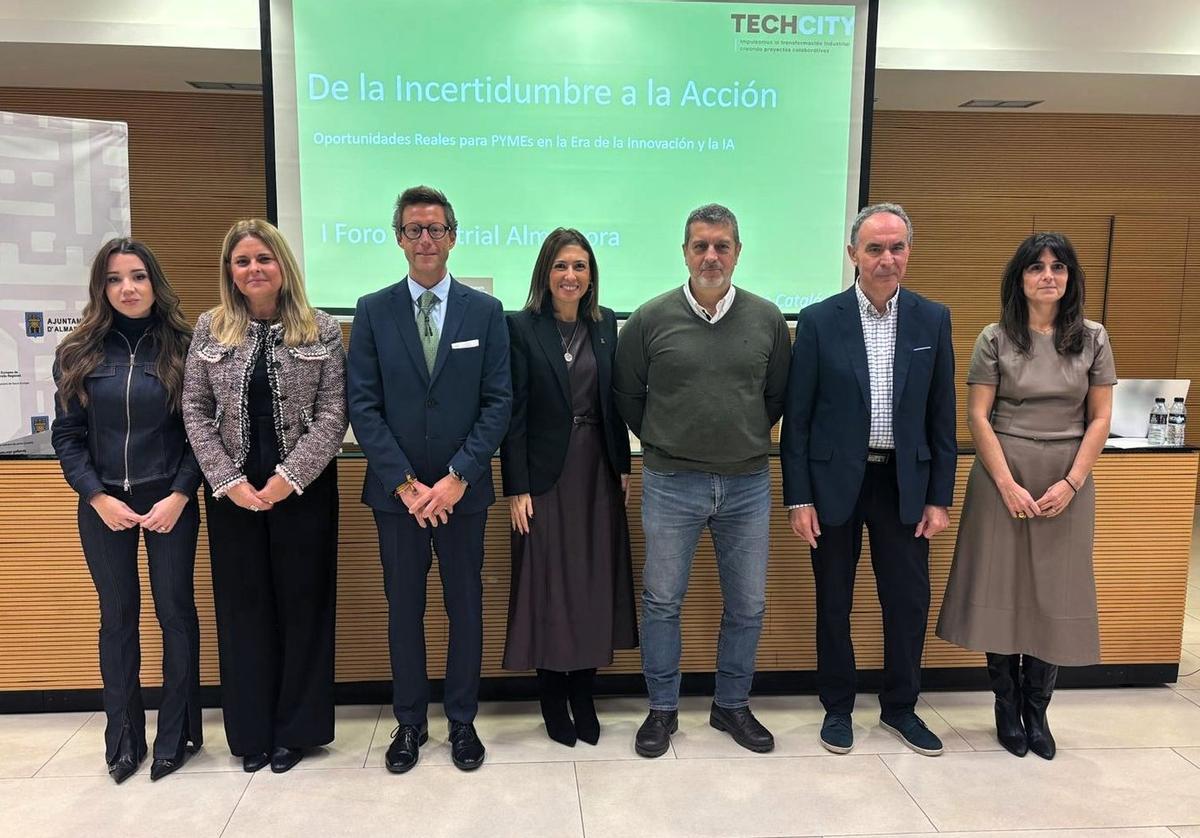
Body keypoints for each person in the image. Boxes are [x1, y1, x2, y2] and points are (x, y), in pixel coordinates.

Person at [614, 203, 791, 758]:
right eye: (700, 246)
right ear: (685, 252)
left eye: (722, 245)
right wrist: (673, 439)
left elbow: (776, 396)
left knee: (748, 604)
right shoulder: (648, 318)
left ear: (738, 252)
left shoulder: (767, 319)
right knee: (663, 600)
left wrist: (734, 437)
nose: (711, 256)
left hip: (747, 483)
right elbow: (628, 396)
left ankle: (730, 705)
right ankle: (662, 710)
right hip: (670, 481)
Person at [781, 202, 956, 757]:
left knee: (906, 601)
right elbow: (798, 420)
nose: (887, 258)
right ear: (853, 253)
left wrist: (939, 496)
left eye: (897, 247)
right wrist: (798, 496)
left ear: (909, 252)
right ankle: (837, 707)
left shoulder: (933, 319)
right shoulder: (817, 320)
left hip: (904, 483)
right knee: (834, 599)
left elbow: (941, 415)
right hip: (835, 484)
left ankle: (901, 708)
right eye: (875, 248)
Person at [347, 185, 511, 774]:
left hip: (463, 496)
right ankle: (410, 723)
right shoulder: (372, 310)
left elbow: (499, 402)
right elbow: (362, 406)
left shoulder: (485, 312)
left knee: (466, 607)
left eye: (436, 229)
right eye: (414, 229)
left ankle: (462, 722)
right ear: (398, 238)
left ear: (452, 236)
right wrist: (408, 486)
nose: (425, 239)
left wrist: (458, 477)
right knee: (404, 609)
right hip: (398, 500)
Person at [937, 232, 1115, 760]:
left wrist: (1071, 482)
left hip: (1067, 476)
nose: (1048, 276)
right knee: (1004, 588)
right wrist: (1007, 483)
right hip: (1002, 476)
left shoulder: (1093, 338)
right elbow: (976, 415)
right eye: (1036, 267)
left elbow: (1101, 417)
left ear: (1070, 278)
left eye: (1058, 268)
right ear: (1020, 278)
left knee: (1053, 593)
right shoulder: (995, 337)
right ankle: (1005, 705)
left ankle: (1037, 712)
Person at [182, 218, 346, 774]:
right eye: (242, 261)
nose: (254, 269)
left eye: (263, 259)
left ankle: (294, 732)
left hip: (303, 491)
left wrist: (288, 477)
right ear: (230, 271)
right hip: (232, 495)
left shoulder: (320, 328)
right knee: (243, 610)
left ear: (283, 265)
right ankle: (251, 731)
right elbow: (195, 411)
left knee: (304, 608)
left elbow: (332, 414)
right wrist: (227, 481)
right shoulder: (210, 329)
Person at [51, 237, 203, 783]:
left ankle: (177, 734)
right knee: (117, 618)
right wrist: (96, 496)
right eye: (115, 279)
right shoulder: (77, 352)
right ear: (102, 288)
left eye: (137, 276)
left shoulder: (186, 346)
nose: (128, 288)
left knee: (175, 615)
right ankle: (123, 740)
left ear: (154, 282)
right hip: (103, 503)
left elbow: (200, 435)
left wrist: (181, 494)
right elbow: (67, 437)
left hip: (171, 499)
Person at [500, 228, 638, 747]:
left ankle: (584, 692)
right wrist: (517, 484)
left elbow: (615, 403)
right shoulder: (520, 328)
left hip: (597, 472)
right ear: (545, 273)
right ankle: (552, 696)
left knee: (592, 583)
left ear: (591, 275)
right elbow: (512, 412)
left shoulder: (606, 329)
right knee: (547, 583)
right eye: (561, 266)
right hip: (543, 477)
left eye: (580, 266)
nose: (571, 276)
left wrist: (622, 465)